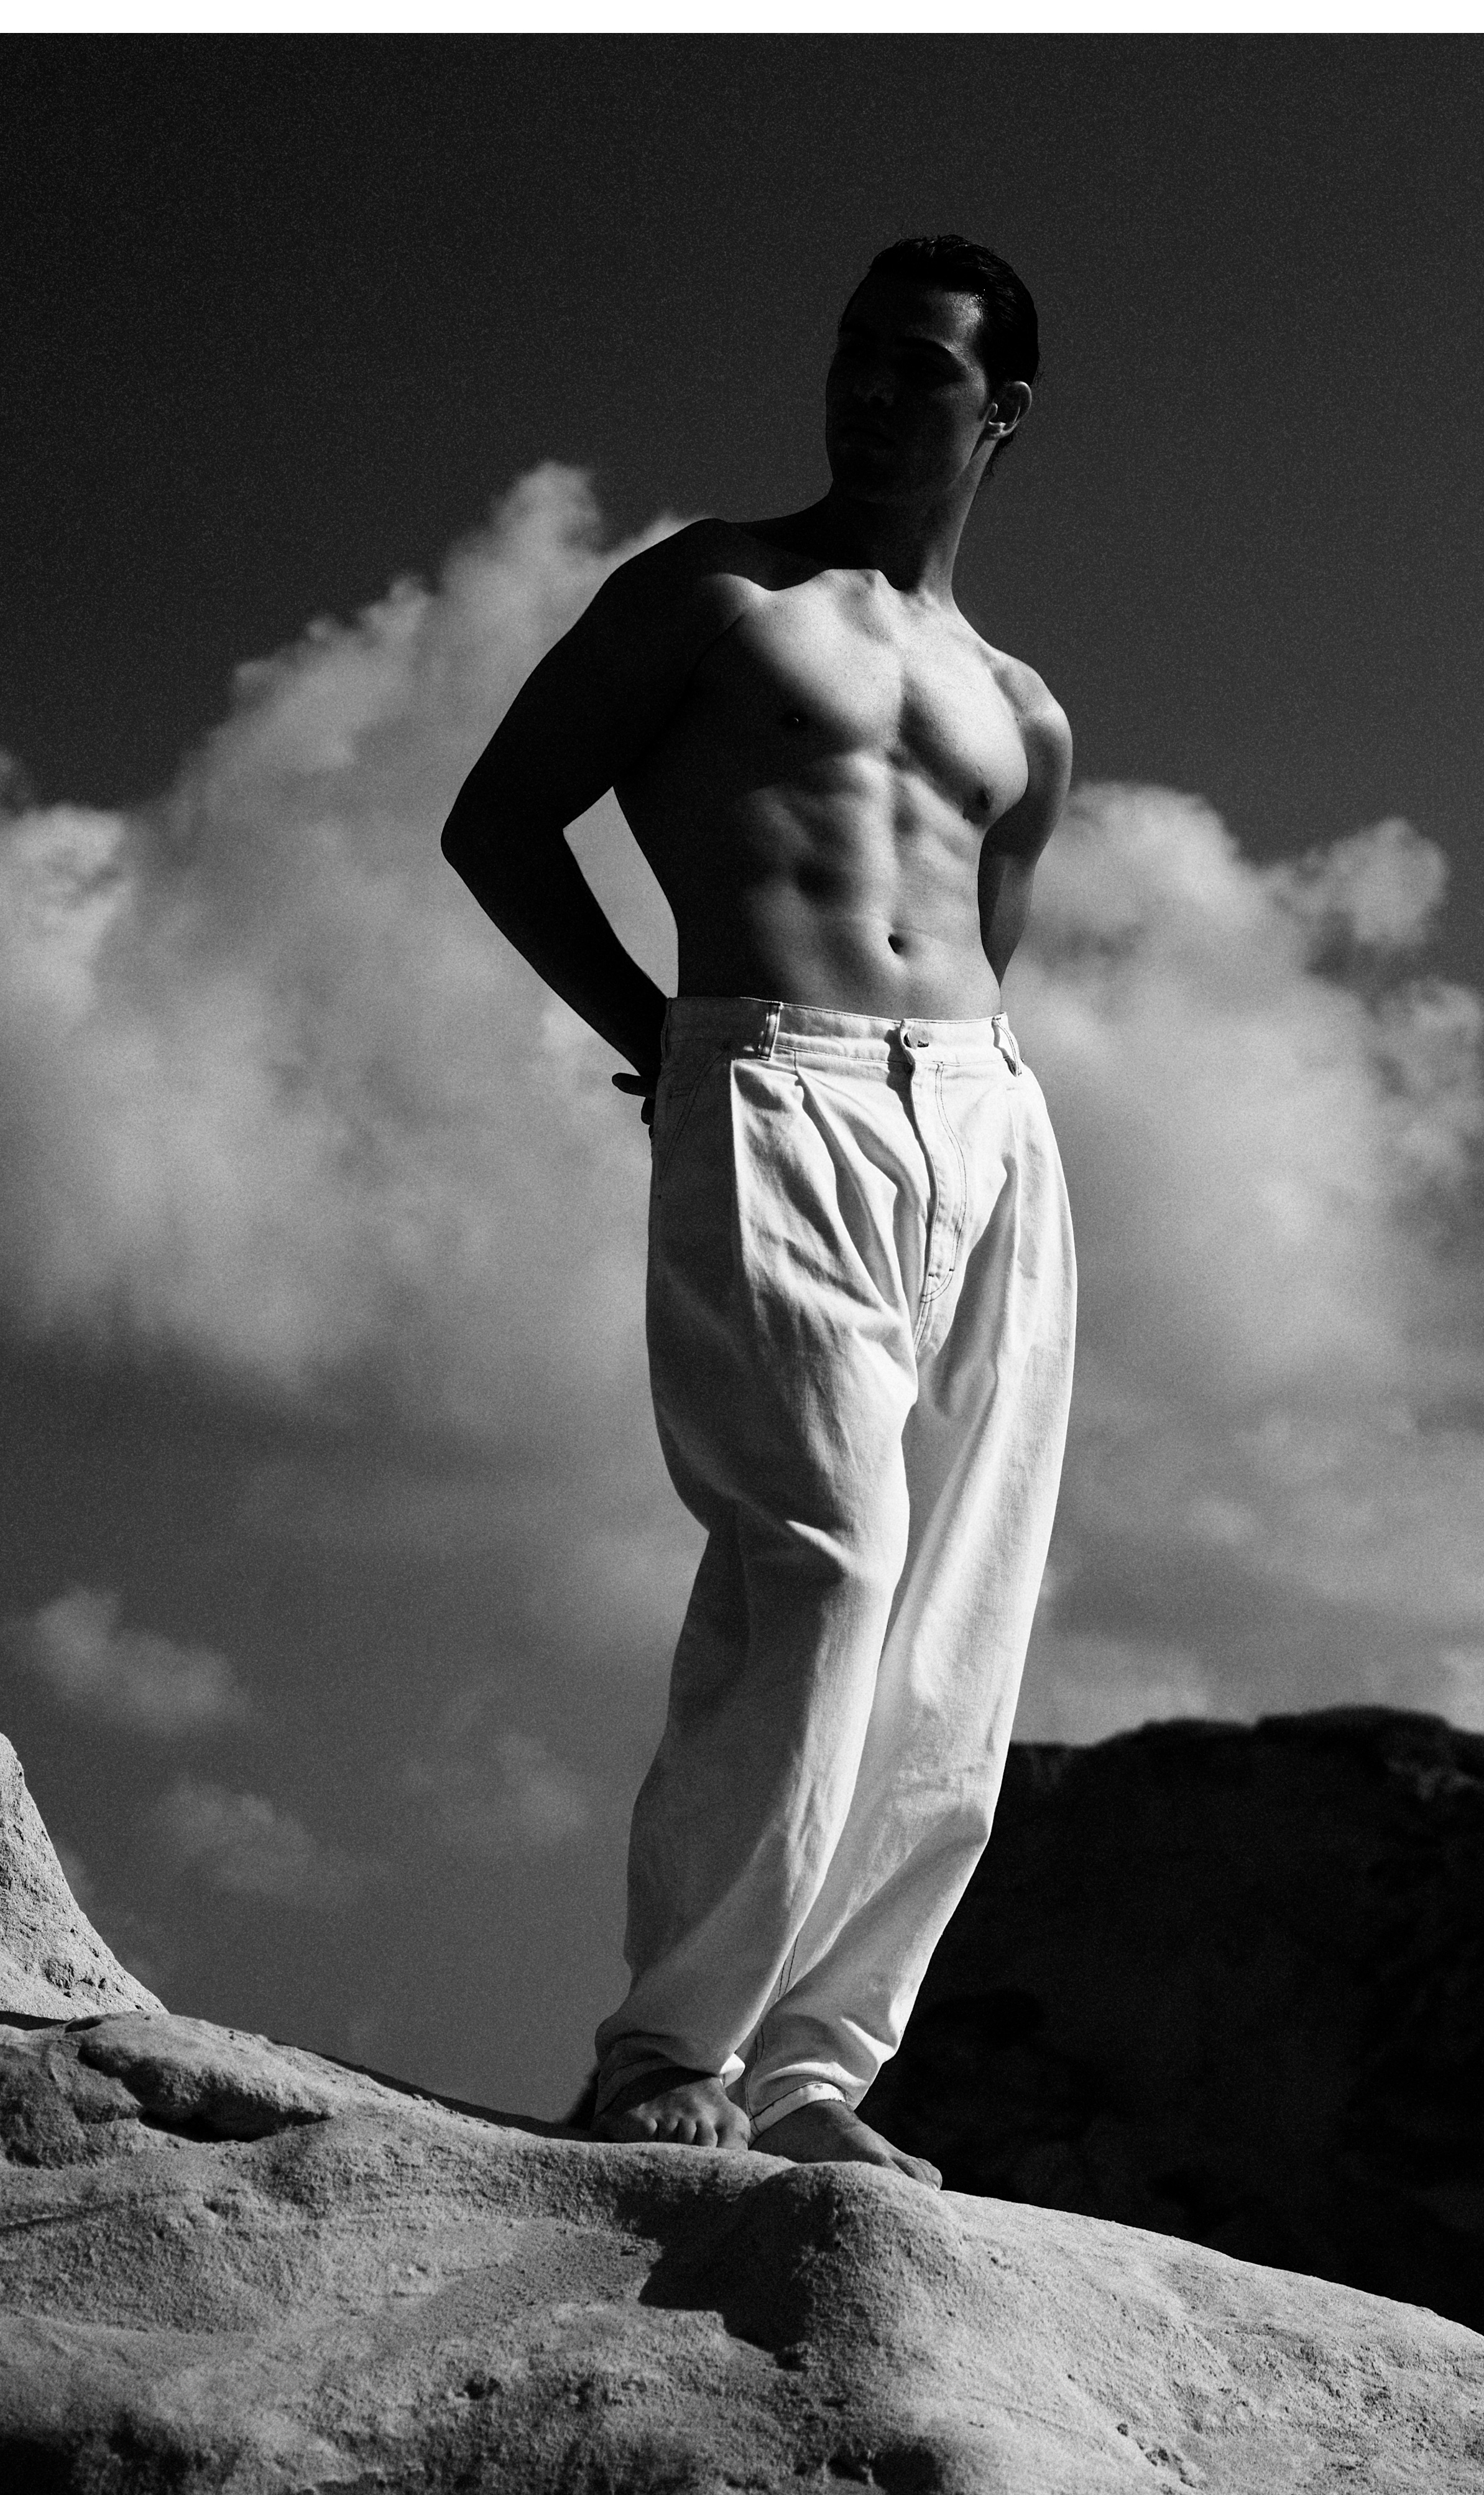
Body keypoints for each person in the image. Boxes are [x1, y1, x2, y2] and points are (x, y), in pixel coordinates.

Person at [441, 236, 1075, 2186]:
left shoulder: (1022, 709)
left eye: (918, 369)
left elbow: (982, 943)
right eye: (852, 354)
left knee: (957, 1617)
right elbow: (499, 818)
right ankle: (668, 2046)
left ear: (1000, 412)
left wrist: (970, 1115)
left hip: (980, 1120)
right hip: (769, 1075)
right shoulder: (712, 592)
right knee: (820, 1557)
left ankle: (814, 2069)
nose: (870, 393)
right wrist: (656, 1034)